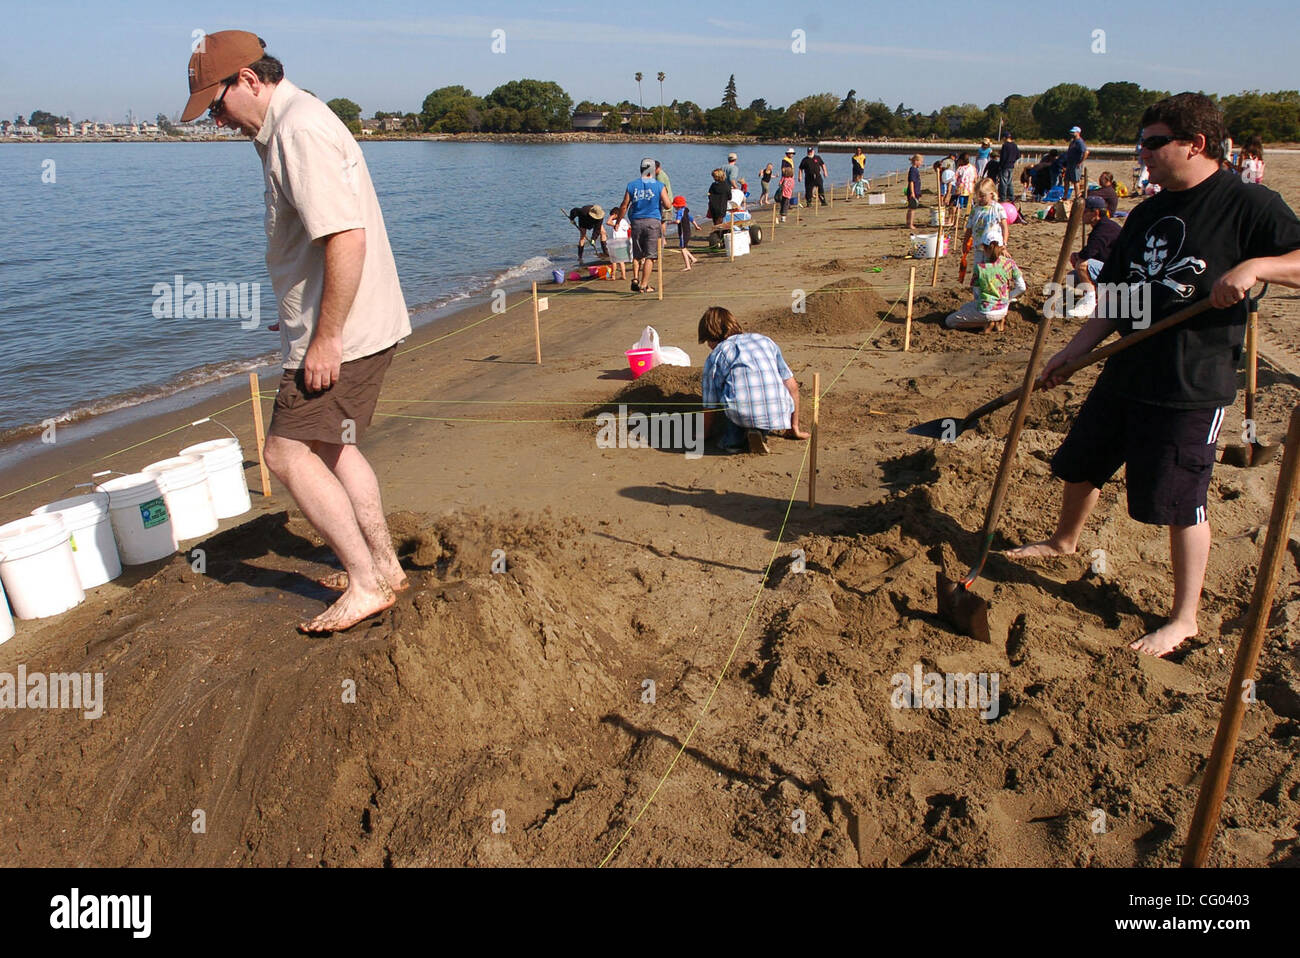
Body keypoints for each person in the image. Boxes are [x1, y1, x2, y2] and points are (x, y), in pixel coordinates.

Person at [1005, 92, 1300, 658]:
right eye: (1143, 142)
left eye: (1155, 142)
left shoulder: (1248, 204)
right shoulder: (1145, 212)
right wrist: (1072, 352)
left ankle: (1184, 617)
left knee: (1182, 499)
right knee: (1083, 460)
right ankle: (1065, 541)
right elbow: (1116, 299)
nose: (1144, 152)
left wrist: (1257, 267)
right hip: (1126, 368)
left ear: (1197, 144)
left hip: (1191, 383)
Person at [182, 31, 410, 633]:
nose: (216, 118)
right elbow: (322, 242)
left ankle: (365, 582)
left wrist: (326, 336)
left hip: (347, 334)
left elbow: (345, 238)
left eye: (217, 103)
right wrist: (301, 314)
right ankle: (385, 567)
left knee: (283, 453)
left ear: (249, 79)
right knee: (334, 446)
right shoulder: (289, 123)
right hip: (356, 322)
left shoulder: (298, 128)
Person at [698, 306, 809, 454]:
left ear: (711, 335)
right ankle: (759, 433)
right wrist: (793, 427)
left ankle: (733, 442)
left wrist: (704, 433)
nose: (709, 347)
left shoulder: (718, 354)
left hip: (741, 412)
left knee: (730, 397)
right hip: (777, 411)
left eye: (707, 342)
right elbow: (792, 386)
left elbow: (710, 403)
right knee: (759, 407)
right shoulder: (765, 341)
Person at [943, 229, 1024, 331]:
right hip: (1003, 308)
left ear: (984, 248)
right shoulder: (1009, 263)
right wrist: (1007, 297)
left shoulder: (980, 268)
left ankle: (985, 323)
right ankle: (997, 320)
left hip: (986, 310)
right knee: (964, 308)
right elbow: (1022, 287)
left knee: (950, 321)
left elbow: (976, 290)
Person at [615, 157, 671, 293]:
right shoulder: (659, 185)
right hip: (653, 221)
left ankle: (635, 278)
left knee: (638, 253)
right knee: (651, 255)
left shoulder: (632, 185)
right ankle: (644, 284)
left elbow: (624, 206)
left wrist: (618, 221)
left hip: (637, 222)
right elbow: (668, 204)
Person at [1065, 196, 1122, 318]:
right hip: (1107, 268)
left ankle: (1090, 304)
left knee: (1083, 265)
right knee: (1072, 277)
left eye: (1084, 212)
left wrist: (1078, 257)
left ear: (1095, 212)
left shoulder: (1105, 229)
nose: (1081, 215)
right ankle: (1096, 296)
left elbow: (1089, 252)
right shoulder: (1103, 227)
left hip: (1118, 273)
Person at [962, 177, 1010, 268]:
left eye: (983, 196)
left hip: (994, 247)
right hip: (979, 246)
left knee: (994, 268)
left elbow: (1004, 227)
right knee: (979, 269)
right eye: (978, 195)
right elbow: (969, 228)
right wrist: (965, 243)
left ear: (991, 194)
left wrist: (1004, 244)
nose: (979, 198)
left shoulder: (997, 208)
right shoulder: (975, 210)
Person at [672, 196, 699, 270]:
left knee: (682, 249)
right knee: (684, 247)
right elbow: (692, 219)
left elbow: (678, 221)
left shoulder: (680, 212)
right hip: (688, 232)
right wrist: (696, 226)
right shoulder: (685, 211)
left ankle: (688, 266)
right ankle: (693, 259)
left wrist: (670, 223)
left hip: (683, 233)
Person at [606, 206, 631, 281]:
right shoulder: (624, 221)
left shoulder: (615, 222)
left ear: (615, 215)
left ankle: (613, 276)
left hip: (615, 242)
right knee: (621, 260)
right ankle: (623, 275)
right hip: (624, 242)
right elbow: (629, 227)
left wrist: (612, 217)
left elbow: (607, 222)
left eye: (612, 215)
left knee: (614, 260)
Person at [1063, 125, 1088, 197]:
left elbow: (1085, 152)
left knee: (1076, 181)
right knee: (1066, 180)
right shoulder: (1073, 142)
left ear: (1078, 132)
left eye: (1073, 132)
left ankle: (1077, 195)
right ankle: (1065, 196)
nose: (1072, 133)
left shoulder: (1080, 142)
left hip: (1076, 164)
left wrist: (1080, 162)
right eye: (1071, 132)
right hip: (1070, 164)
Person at [998, 132, 1020, 202]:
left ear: (1005, 138)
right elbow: (1018, 155)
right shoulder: (1014, 145)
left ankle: (1003, 197)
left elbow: (1003, 157)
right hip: (1011, 166)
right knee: (1009, 182)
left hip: (1005, 166)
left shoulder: (1005, 145)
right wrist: (1013, 161)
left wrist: (1000, 165)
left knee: (1003, 182)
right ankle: (1011, 197)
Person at [905, 154, 923, 230]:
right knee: (912, 208)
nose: (921, 164)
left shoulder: (915, 170)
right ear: (916, 161)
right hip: (913, 192)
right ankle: (910, 224)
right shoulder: (913, 170)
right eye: (920, 162)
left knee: (911, 208)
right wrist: (912, 193)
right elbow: (911, 182)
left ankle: (908, 223)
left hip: (915, 191)